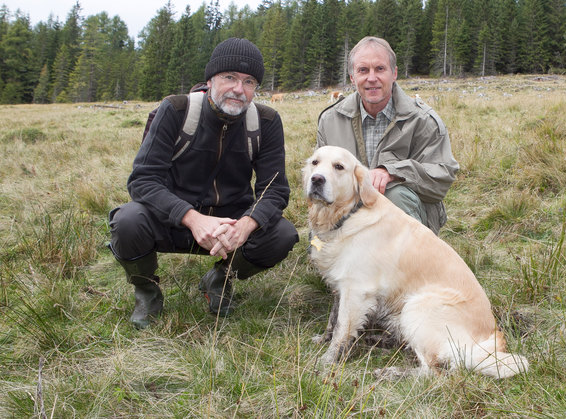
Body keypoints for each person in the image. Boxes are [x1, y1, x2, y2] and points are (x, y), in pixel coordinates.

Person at [109, 38, 299, 329]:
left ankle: (220, 280)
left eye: (249, 82)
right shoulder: (175, 110)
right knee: (127, 221)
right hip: (172, 220)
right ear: (210, 79)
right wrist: (193, 219)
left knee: (282, 234)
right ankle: (147, 291)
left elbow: (275, 189)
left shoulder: (267, 121)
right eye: (230, 77)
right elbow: (143, 180)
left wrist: (246, 225)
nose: (239, 88)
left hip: (230, 226)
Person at [317, 36, 459, 235]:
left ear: (394, 73)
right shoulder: (330, 120)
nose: (371, 78)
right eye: (363, 70)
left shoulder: (423, 121)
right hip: (348, 215)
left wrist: (392, 172)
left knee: (395, 193)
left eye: (380, 69)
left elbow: (442, 177)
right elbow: (321, 179)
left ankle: (408, 261)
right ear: (352, 77)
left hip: (406, 220)